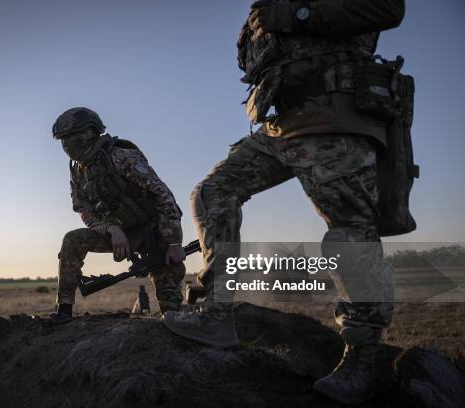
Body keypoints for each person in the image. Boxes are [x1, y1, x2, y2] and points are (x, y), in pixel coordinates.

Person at [163, 0, 408, 405]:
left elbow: (386, 8)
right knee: (213, 193)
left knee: (350, 232)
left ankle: (363, 357)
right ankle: (218, 313)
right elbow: (252, 63)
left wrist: (300, 16)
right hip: (280, 124)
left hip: (336, 112)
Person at [51, 107, 186, 323]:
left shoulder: (119, 155)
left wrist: (173, 243)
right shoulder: (78, 172)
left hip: (154, 232)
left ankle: (174, 320)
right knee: (72, 240)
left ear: (90, 132)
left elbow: (163, 196)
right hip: (118, 234)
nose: (66, 145)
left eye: (71, 137)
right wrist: (111, 229)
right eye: (63, 140)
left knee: (171, 309)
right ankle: (63, 310)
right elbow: (84, 210)